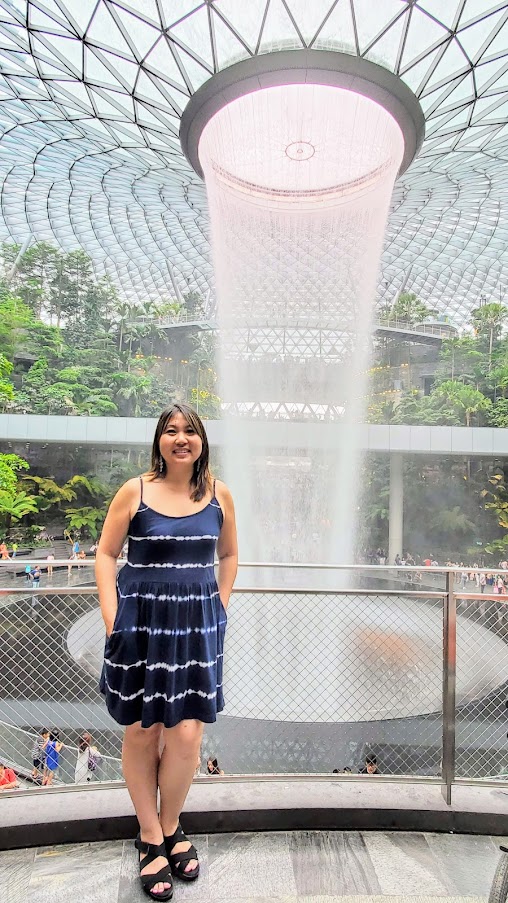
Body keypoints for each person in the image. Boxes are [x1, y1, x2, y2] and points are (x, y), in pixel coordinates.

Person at [96, 402, 238, 901]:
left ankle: (171, 824)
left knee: (186, 734)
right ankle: (150, 836)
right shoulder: (134, 491)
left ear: (202, 442)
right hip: (141, 626)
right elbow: (107, 553)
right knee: (142, 729)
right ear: (159, 440)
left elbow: (229, 554)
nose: (181, 439)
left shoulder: (219, 494)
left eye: (190, 432)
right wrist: (114, 620)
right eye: (171, 431)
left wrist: (217, 608)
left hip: (195, 632)